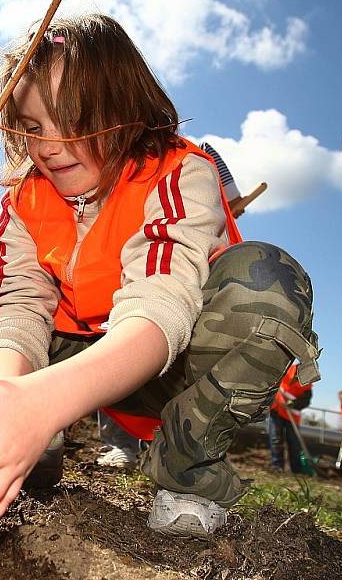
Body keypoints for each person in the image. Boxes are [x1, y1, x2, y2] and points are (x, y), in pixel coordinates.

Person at [0, 14, 319, 549]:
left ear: (126, 106)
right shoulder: (26, 200)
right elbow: (19, 308)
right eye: (31, 125)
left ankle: (186, 468)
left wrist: (46, 400)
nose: (48, 146)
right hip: (61, 359)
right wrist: (11, 399)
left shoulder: (179, 174)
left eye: (74, 118)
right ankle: (19, 443)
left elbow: (158, 308)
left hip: (165, 366)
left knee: (268, 282)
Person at [95, 141, 245, 470]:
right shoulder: (136, 160)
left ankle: (189, 455)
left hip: (200, 259)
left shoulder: (198, 155)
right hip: (146, 266)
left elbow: (235, 202)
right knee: (117, 341)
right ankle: (121, 443)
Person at [268, 364, 312, 474]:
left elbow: (306, 400)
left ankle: (296, 470)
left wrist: (295, 403)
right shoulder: (286, 369)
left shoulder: (307, 382)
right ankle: (277, 467)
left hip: (292, 415)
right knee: (275, 439)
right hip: (277, 409)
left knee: (293, 443)